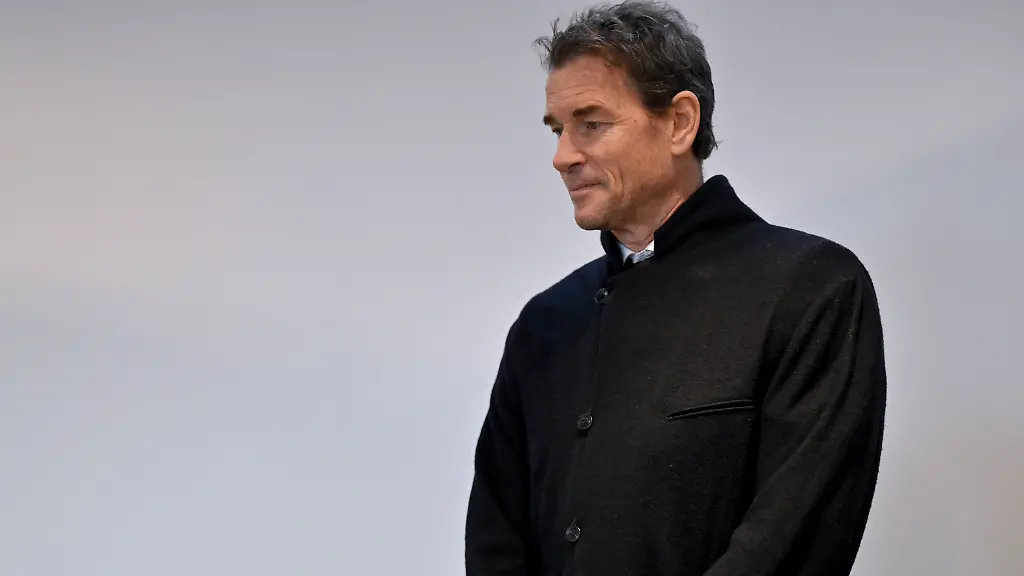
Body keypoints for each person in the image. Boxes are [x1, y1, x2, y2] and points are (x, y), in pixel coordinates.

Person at [464, 1, 887, 575]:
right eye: (558, 130)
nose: (562, 156)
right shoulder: (545, 324)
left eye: (592, 123)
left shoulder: (809, 287)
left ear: (680, 122)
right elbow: (495, 537)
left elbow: (793, 537)